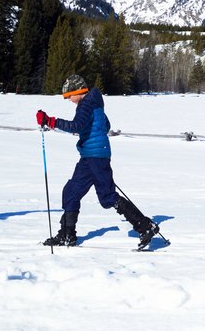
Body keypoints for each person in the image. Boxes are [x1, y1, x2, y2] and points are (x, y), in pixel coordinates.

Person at [35, 75, 160, 250]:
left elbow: (76, 126)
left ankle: (146, 227)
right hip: (89, 156)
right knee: (71, 192)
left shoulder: (86, 105)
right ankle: (67, 235)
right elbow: (106, 125)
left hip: (97, 157)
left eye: (69, 96)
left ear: (78, 91)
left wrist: (50, 121)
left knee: (107, 196)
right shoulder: (94, 104)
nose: (69, 100)